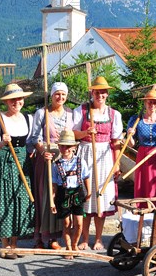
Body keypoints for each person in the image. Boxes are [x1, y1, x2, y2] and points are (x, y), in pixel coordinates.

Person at [0, 83, 35, 259]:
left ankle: (15, 244)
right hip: (3, 164)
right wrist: (2, 142)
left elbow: (31, 143)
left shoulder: (29, 119)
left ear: (23, 100)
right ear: (6, 102)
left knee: (21, 201)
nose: (16, 102)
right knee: (5, 201)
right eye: (12, 99)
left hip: (22, 164)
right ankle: (5, 244)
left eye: (19, 98)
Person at [72, 76, 123, 251]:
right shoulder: (82, 110)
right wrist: (85, 131)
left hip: (105, 157)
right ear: (92, 93)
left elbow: (116, 141)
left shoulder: (114, 114)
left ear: (107, 94)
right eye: (97, 92)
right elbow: (72, 134)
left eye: (103, 92)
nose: (100, 95)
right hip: (86, 153)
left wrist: (116, 164)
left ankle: (99, 239)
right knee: (87, 197)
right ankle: (85, 238)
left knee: (101, 196)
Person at [28, 81, 73, 250]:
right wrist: (42, 150)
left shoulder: (70, 113)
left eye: (63, 94)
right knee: (45, 198)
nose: (60, 97)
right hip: (46, 158)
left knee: (59, 198)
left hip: (63, 159)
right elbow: (34, 137)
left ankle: (54, 239)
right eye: (57, 94)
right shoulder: (42, 113)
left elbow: (73, 134)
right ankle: (40, 238)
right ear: (51, 95)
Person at [46, 130, 91, 259]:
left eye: (68, 146)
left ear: (74, 147)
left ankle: (75, 244)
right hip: (63, 193)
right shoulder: (56, 165)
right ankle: (68, 247)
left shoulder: (80, 162)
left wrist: (89, 192)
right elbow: (54, 184)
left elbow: (86, 177)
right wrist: (52, 201)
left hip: (77, 192)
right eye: (62, 146)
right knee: (66, 223)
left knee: (79, 223)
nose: (65, 149)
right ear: (59, 147)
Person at [126, 86, 156, 200]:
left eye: (155, 102)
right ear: (145, 103)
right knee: (144, 187)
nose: (152, 105)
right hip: (143, 156)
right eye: (150, 102)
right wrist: (129, 135)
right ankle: (144, 213)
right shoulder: (136, 120)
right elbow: (131, 144)